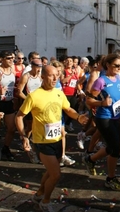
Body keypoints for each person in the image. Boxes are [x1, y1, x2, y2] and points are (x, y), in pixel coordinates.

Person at [15, 65, 88, 212]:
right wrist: (24, 137)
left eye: (57, 75)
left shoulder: (58, 93)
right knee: (56, 174)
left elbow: (68, 109)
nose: (55, 78)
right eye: (50, 75)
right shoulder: (34, 96)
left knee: (50, 172)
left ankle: (39, 195)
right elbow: (19, 116)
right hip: (42, 142)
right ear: (42, 77)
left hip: (57, 140)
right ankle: (45, 201)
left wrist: (79, 117)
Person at [83, 53, 120, 191]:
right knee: (115, 148)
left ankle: (90, 159)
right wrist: (102, 103)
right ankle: (110, 178)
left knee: (113, 147)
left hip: (116, 117)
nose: (119, 67)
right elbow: (89, 100)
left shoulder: (117, 79)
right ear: (108, 65)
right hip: (104, 118)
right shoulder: (101, 81)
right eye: (116, 65)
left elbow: (116, 99)